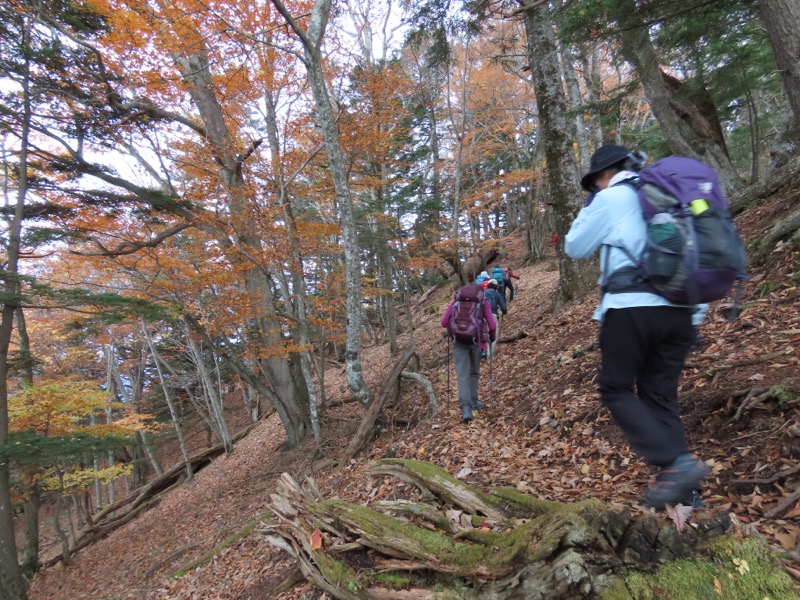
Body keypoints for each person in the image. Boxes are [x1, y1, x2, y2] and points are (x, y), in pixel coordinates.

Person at [564, 144, 709, 511]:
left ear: (604, 174)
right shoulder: (671, 195)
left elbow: (575, 247)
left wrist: (588, 211)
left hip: (631, 306)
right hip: (681, 309)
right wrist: (695, 314)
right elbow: (695, 252)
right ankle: (686, 492)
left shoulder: (611, 198)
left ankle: (676, 466)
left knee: (614, 387)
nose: (595, 188)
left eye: (595, 182)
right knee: (659, 394)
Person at [441, 286, 497, 422]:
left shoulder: (456, 302)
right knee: (474, 372)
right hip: (476, 340)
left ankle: (466, 408)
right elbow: (493, 325)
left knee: (462, 375)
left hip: (458, 341)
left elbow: (443, 322)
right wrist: (492, 337)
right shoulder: (482, 301)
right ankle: (474, 400)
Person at [484, 279, 507, 354]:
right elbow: (503, 307)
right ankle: (489, 355)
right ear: (496, 286)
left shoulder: (483, 293)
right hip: (492, 315)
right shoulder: (497, 294)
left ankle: (484, 351)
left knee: (484, 334)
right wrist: (504, 312)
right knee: (494, 335)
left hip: (482, 316)